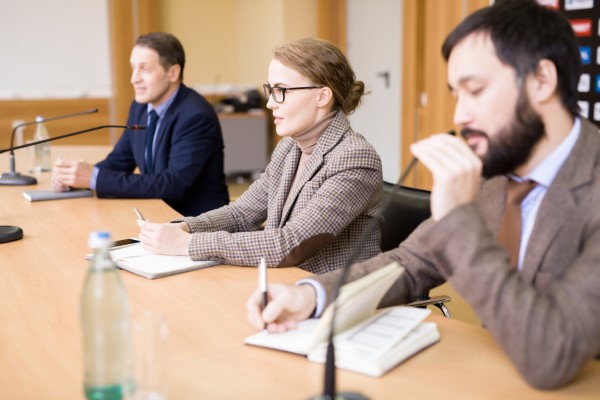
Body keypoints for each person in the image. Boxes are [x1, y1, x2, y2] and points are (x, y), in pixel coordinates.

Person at [246, 0, 600, 390]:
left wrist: (458, 220)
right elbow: (409, 262)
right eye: (456, 94)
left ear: (542, 81)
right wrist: (311, 296)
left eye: (476, 91)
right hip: (495, 375)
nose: (460, 116)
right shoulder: (499, 174)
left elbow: (552, 356)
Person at [136, 38, 383, 274]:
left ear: (322, 96)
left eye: (281, 91)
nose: (270, 104)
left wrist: (188, 244)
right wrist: (184, 227)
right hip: (283, 286)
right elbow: (242, 213)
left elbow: (289, 245)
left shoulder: (354, 158)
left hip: (331, 299)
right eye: (270, 90)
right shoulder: (289, 148)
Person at [51, 32, 229, 216]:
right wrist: (75, 178)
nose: (134, 78)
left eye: (144, 69)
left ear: (173, 73)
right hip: (157, 214)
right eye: (133, 68)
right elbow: (119, 161)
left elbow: (173, 184)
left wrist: (94, 179)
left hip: (198, 224)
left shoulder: (195, 115)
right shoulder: (140, 108)